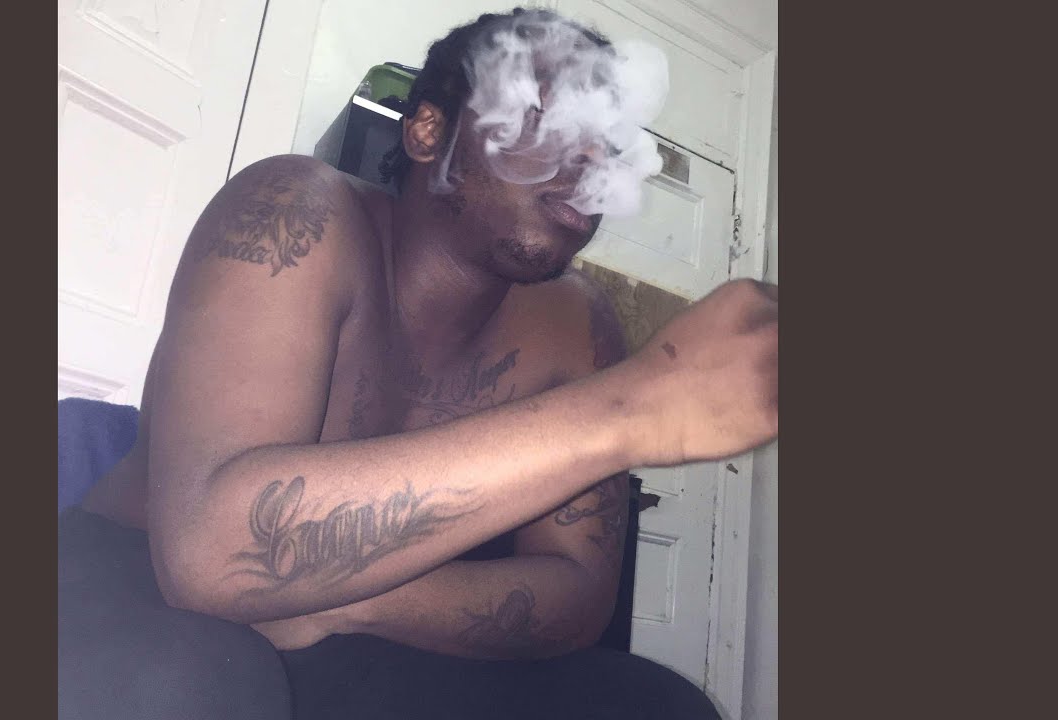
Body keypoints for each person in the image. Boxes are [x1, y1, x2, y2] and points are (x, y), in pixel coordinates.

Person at [59, 8, 777, 719]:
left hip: (361, 632)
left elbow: (580, 597)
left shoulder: (575, 324)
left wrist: (347, 603)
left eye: (608, 141)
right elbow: (207, 555)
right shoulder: (297, 211)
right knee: (184, 681)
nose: (592, 159)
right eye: (549, 119)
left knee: (658, 706)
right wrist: (628, 409)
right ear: (430, 130)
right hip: (139, 583)